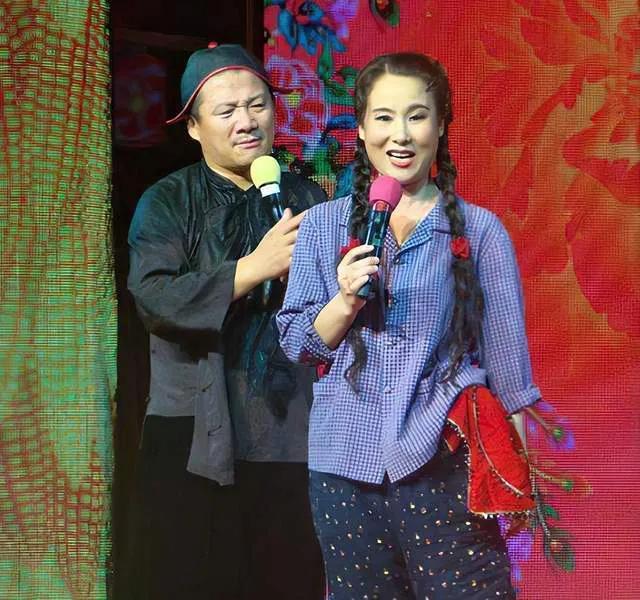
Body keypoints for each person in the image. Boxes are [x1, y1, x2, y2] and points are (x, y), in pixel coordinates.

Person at [277, 52, 541, 599]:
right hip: (344, 466)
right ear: (361, 127)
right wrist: (344, 301)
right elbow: (298, 343)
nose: (400, 135)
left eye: (417, 116)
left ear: (440, 126)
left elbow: (510, 379)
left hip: (442, 458)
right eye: (384, 117)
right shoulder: (324, 226)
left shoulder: (480, 231)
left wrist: (518, 484)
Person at [127, 42, 325, 599]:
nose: (247, 121)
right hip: (193, 433)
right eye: (227, 110)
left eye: (258, 105)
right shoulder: (168, 201)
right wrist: (253, 268)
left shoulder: (306, 198)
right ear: (194, 127)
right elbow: (154, 297)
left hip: (287, 432)